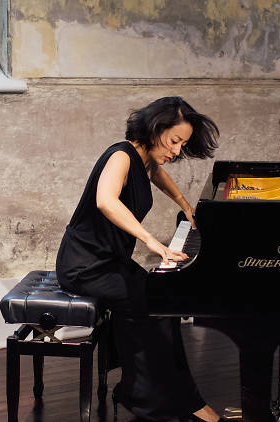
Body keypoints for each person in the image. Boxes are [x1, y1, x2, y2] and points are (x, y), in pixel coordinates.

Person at [56, 97, 224, 422]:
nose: (177, 151)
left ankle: (181, 398)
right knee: (146, 308)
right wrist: (151, 240)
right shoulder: (121, 155)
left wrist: (185, 204)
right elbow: (105, 200)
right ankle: (149, 401)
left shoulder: (145, 159)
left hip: (109, 261)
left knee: (165, 301)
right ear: (155, 127)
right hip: (84, 266)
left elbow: (156, 174)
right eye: (174, 141)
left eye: (183, 144)